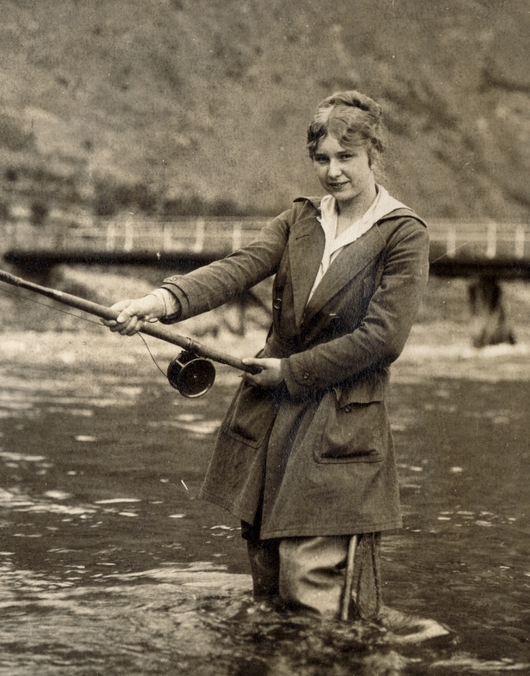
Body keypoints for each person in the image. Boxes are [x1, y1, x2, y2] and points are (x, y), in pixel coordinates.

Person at [107, 91, 432, 623]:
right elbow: (237, 268)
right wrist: (158, 303)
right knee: (268, 581)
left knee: (313, 590)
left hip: (340, 426)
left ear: (375, 153)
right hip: (270, 420)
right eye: (321, 159)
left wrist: (292, 370)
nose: (332, 172)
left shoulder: (403, 233)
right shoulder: (298, 220)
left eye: (346, 158)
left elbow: (383, 339)